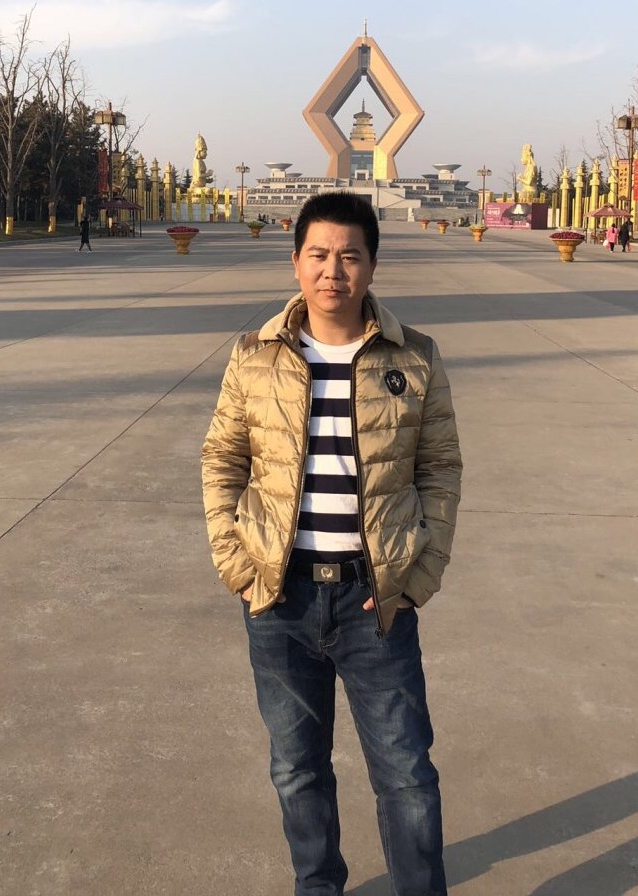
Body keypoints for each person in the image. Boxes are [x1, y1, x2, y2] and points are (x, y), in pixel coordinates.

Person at [202, 191, 462, 896]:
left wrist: (418, 572)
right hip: (279, 599)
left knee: (406, 774)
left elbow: (439, 468)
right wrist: (237, 562)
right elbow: (222, 459)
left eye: (349, 256)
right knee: (296, 768)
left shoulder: (414, 357)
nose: (333, 271)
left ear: (372, 265)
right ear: (295, 262)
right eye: (318, 254)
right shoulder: (254, 357)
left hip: (375, 601)